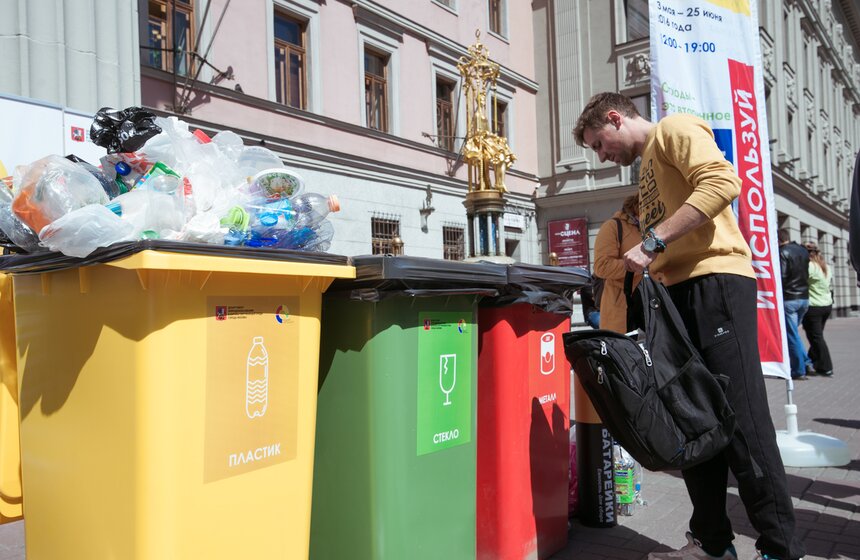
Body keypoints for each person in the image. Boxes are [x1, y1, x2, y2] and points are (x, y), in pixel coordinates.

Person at [574, 92, 805, 560]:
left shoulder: (673, 130)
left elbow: (724, 182)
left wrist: (653, 240)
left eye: (599, 142)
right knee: (694, 420)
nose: (601, 156)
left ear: (615, 119)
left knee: (743, 419)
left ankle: (781, 549)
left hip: (715, 283)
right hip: (677, 295)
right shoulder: (646, 169)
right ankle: (712, 543)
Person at [593, 194, 642, 333]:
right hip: (622, 309)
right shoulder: (613, 226)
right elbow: (602, 266)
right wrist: (640, 265)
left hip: (652, 302)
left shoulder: (653, 228)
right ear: (636, 207)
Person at [778, 229, 811, 380]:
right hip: (804, 298)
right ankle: (806, 362)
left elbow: (783, 276)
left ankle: (799, 370)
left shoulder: (783, 252)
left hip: (789, 299)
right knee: (794, 334)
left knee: (791, 336)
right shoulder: (803, 251)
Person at [801, 242, 833, 376]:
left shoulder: (810, 266)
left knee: (816, 337)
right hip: (826, 305)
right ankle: (813, 360)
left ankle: (826, 367)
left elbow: (801, 280)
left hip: (814, 306)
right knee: (817, 336)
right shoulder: (825, 266)